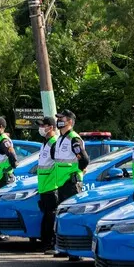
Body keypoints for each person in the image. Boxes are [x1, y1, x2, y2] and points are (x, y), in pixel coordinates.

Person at [52, 109, 90, 259]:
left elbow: (84, 160)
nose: (59, 120)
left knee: (72, 216)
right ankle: (64, 247)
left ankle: (75, 252)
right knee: (63, 216)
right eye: (58, 118)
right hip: (61, 183)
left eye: (62, 118)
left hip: (71, 183)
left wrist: (77, 173)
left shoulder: (74, 138)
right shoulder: (61, 138)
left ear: (70, 122)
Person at [35, 117, 59, 252]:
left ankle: (50, 244)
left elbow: (59, 165)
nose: (41, 128)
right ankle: (45, 243)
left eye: (43, 125)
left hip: (52, 186)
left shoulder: (54, 143)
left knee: (51, 217)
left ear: (50, 127)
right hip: (44, 187)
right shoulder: (46, 143)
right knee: (47, 216)